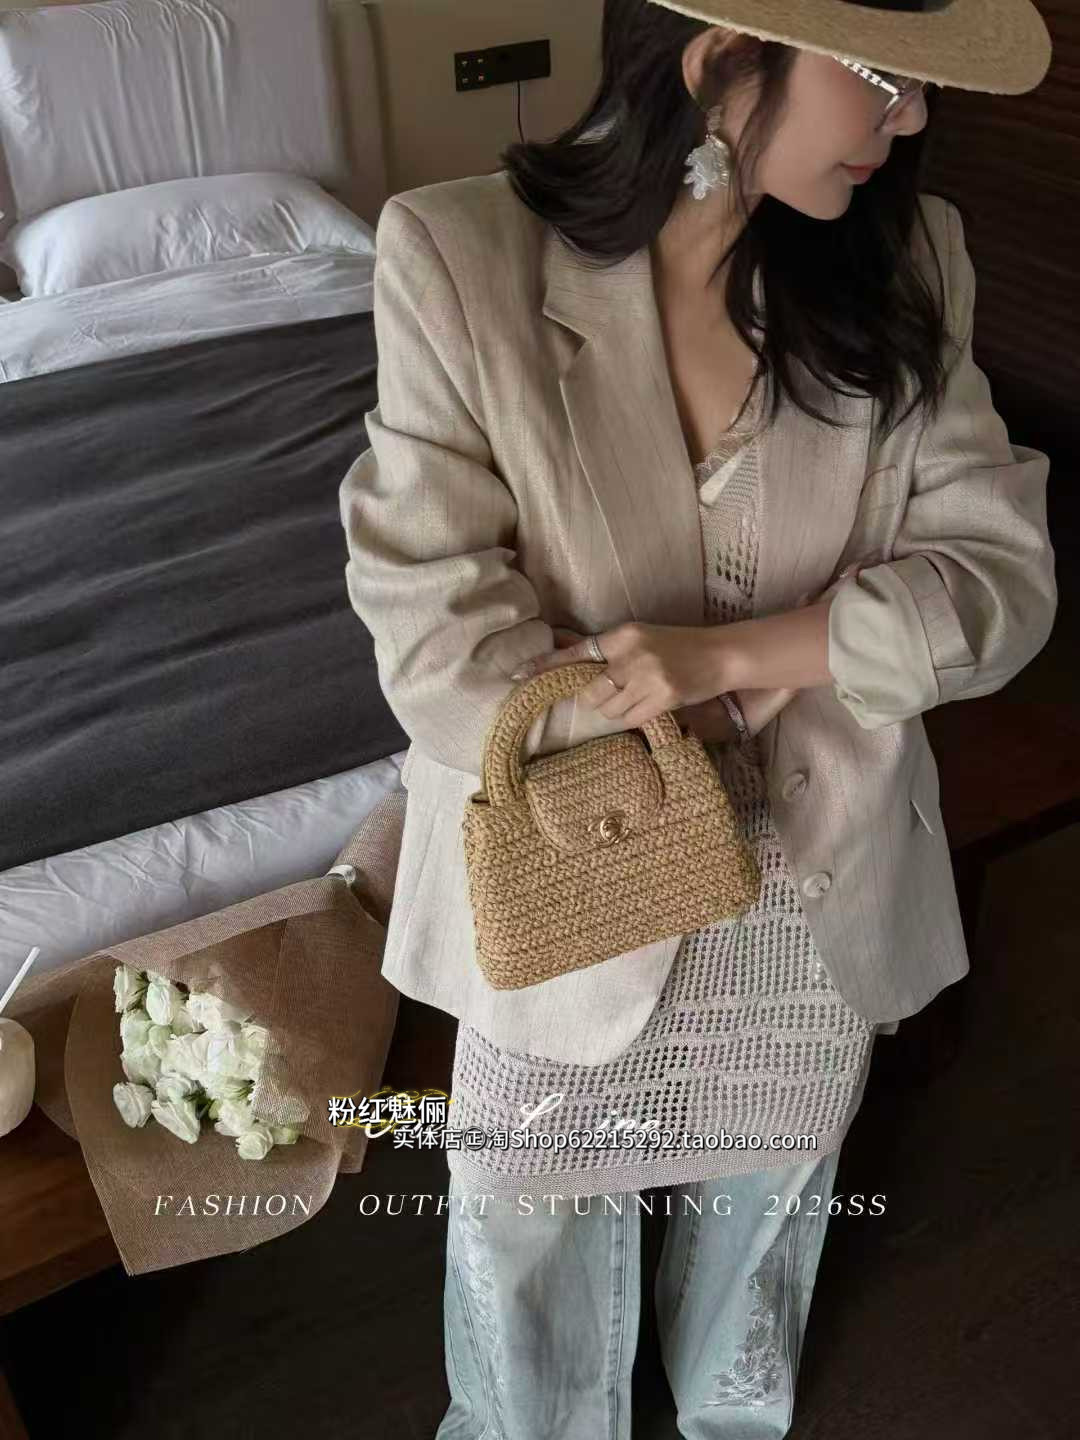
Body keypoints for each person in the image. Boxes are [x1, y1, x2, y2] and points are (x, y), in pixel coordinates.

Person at [339, 1, 1056, 1434]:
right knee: (528, 1213)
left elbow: (998, 585)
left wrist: (721, 658)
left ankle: (733, 1412)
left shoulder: (912, 258)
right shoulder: (459, 258)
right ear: (721, 61)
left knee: (769, 1197)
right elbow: (437, 637)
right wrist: (724, 713)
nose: (913, 118)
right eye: (884, 79)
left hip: (815, 877)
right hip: (572, 867)